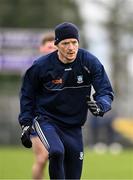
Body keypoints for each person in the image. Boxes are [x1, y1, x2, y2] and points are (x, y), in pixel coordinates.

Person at [19, 22, 114, 179]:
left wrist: (101, 105)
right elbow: (27, 95)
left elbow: (105, 90)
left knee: (73, 176)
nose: (71, 47)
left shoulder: (89, 62)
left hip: (74, 126)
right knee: (56, 152)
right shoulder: (40, 67)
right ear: (57, 45)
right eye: (65, 43)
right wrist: (25, 122)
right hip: (46, 120)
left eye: (74, 42)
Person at [30, 32, 56, 180]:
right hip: (38, 119)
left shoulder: (64, 70)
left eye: (55, 47)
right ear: (41, 48)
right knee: (42, 157)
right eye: (49, 47)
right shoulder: (35, 70)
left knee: (60, 157)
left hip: (58, 120)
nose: (52, 50)